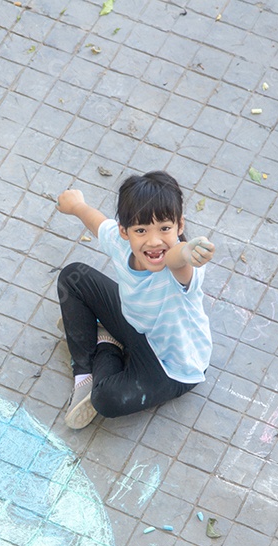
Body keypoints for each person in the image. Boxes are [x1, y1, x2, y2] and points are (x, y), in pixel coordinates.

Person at [55, 170, 215, 429]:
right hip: (135, 323)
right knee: (73, 276)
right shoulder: (119, 243)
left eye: (165, 228)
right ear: (124, 231)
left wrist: (187, 251)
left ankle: (107, 344)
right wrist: (77, 206)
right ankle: (83, 374)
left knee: (106, 400)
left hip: (172, 366)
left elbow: (176, 259)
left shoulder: (182, 267)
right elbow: (97, 223)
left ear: (180, 226)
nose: (154, 242)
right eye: (141, 230)